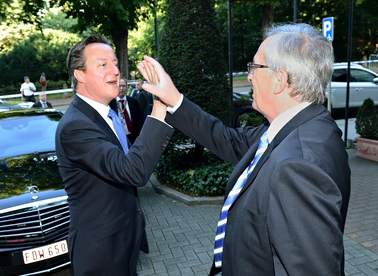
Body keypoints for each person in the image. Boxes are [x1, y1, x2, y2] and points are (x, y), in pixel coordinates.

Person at [138, 23, 351, 275]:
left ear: (280, 80)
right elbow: (226, 139)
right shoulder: (299, 126)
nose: (249, 76)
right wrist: (173, 98)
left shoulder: (298, 165)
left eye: (255, 68)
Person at [55, 35, 174, 276]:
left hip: (124, 244)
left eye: (115, 63)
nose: (116, 71)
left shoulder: (106, 113)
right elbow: (133, 171)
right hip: (101, 254)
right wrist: (159, 106)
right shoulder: (75, 126)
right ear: (80, 75)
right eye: (103, 64)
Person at [109, 78, 144, 144]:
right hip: (118, 138)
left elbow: (139, 120)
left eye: (124, 86)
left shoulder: (133, 101)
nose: (121, 88)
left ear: (127, 87)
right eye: (120, 86)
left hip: (133, 137)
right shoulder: (110, 103)